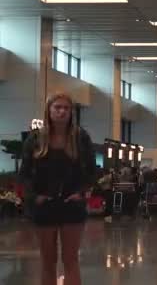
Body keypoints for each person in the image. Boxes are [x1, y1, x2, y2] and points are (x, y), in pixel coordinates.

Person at [19, 93, 95, 285]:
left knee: (71, 259)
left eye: (66, 108)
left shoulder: (80, 137)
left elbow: (92, 170)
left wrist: (81, 193)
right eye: (57, 107)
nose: (62, 112)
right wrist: (35, 197)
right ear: (49, 110)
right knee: (48, 261)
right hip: (45, 205)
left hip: (73, 204)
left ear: (71, 112)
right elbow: (25, 172)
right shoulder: (35, 139)